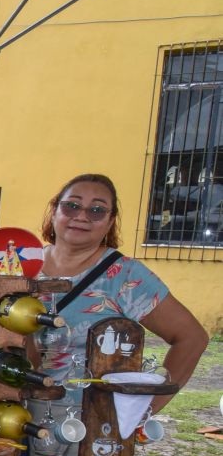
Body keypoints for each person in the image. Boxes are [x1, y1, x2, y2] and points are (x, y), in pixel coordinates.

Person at [37, 173, 205, 415]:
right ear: (55, 211)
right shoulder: (22, 265)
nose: (82, 216)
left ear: (110, 221)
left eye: (97, 210)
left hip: (89, 424)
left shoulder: (125, 275)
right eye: (72, 206)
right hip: (9, 417)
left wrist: (144, 410)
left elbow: (192, 338)